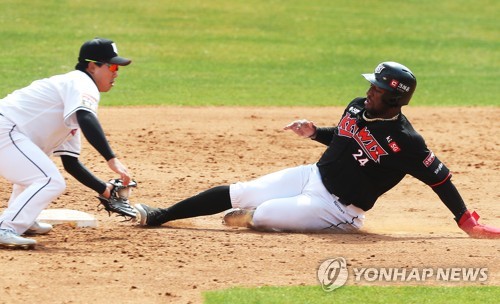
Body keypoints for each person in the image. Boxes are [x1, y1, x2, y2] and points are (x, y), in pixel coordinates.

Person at [134, 61, 499, 239]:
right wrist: (314, 133)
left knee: (261, 215)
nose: (369, 91)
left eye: (376, 88)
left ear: (395, 97)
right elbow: (342, 139)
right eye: (370, 86)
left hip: (336, 207)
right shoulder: (357, 106)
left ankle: (257, 215)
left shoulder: (408, 142)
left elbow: (441, 179)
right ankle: (160, 215)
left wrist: (466, 220)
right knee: (241, 190)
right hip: (312, 176)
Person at [0, 38, 133, 248]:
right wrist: (111, 159)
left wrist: (104, 189)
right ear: (92, 66)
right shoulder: (81, 83)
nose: (116, 72)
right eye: (112, 66)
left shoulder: (71, 102)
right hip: (5, 128)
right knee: (49, 180)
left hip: (10, 132)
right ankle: (5, 227)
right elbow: (87, 117)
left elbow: (71, 163)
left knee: (34, 176)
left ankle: (21, 220)